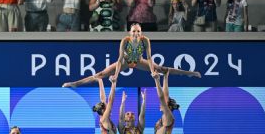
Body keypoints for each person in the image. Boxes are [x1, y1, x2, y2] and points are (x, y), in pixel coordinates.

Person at [62, 23, 201, 88]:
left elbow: (150, 57)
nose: (136, 34)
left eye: (138, 31)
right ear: (130, 32)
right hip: (126, 62)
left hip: (140, 61)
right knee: (100, 74)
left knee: (163, 69)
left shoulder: (145, 40)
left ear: (141, 32)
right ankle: (74, 83)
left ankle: (189, 73)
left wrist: (153, 72)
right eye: (134, 31)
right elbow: (120, 59)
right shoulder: (125, 41)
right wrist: (116, 75)